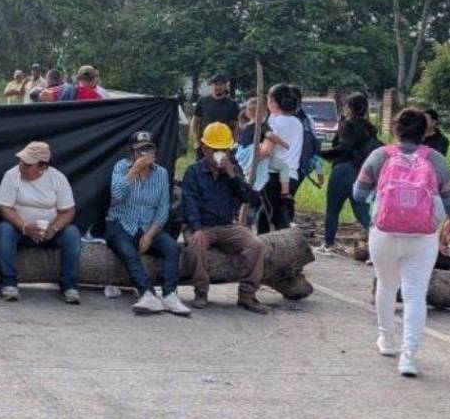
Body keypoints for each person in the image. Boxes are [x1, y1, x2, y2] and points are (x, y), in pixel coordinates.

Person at [353, 107, 450, 378]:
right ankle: (409, 357)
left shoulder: (380, 155)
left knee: (387, 286)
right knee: (415, 294)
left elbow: (358, 192)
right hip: (422, 236)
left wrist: (378, 204)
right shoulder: (435, 159)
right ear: (425, 131)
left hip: (384, 233)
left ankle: (386, 340)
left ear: (395, 130)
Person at [181, 122, 268, 313]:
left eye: (224, 150)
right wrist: (196, 229)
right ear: (205, 149)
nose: (220, 154)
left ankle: (247, 294)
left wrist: (233, 177)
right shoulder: (193, 172)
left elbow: (251, 199)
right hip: (202, 224)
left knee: (256, 245)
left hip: (227, 225)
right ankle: (201, 291)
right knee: (196, 244)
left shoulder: (232, 171)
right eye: (215, 149)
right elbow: (190, 203)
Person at [105, 131, 190, 316]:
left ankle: (169, 295)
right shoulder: (121, 167)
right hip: (121, 222)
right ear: (133, 153)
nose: (146, 154)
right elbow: (116, 196)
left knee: (172, 248)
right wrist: (134, 170)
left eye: (149, 149)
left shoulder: (161, 173)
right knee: (128, 251)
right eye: (141, 150)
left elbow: (162, 209)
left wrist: (150, 234)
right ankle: (146, 294)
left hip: (148, 225)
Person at [0, 142, 81, 304]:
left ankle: (69, 285)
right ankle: (9, 283)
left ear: (42, 166)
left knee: (72, 233)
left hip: (50, 231)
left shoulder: (57, 178)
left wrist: (54, 228)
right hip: (20, 229)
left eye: (27, 164)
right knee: (4, 229)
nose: (22, 166)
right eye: (21, 162)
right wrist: (24, 226)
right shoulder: (11, 175)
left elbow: (68, 211)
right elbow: (3, 207)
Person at [318, 93, 377, 254]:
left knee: (333, 209)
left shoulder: (346, 125)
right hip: (361, 172)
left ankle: (328, 244)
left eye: (345, 106)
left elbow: (344, 148)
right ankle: (379, 243)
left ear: (349, 108)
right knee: (362, 212)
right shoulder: (370, 128)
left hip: (343, 170)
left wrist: (321, 153)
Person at [263, 85, 303, 205]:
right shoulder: (297, 122)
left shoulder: (273, 121)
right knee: (283, 218)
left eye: (268, 99)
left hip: (273, 176)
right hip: (292, 176)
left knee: (265, 219)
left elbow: (266, 151)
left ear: (273, 102)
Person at [191, 74, 240, 156]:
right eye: (216, 84)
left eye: (221, 84)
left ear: (225, 86)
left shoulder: (232, 104)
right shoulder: (202, 101)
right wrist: (196, 140)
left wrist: (234, 142)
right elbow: (195, 122)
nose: (218, 87)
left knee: (222, 167)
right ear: (212, 85)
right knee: (202, 167)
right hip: (205, 143)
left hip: (224, 144)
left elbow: (236, 125)